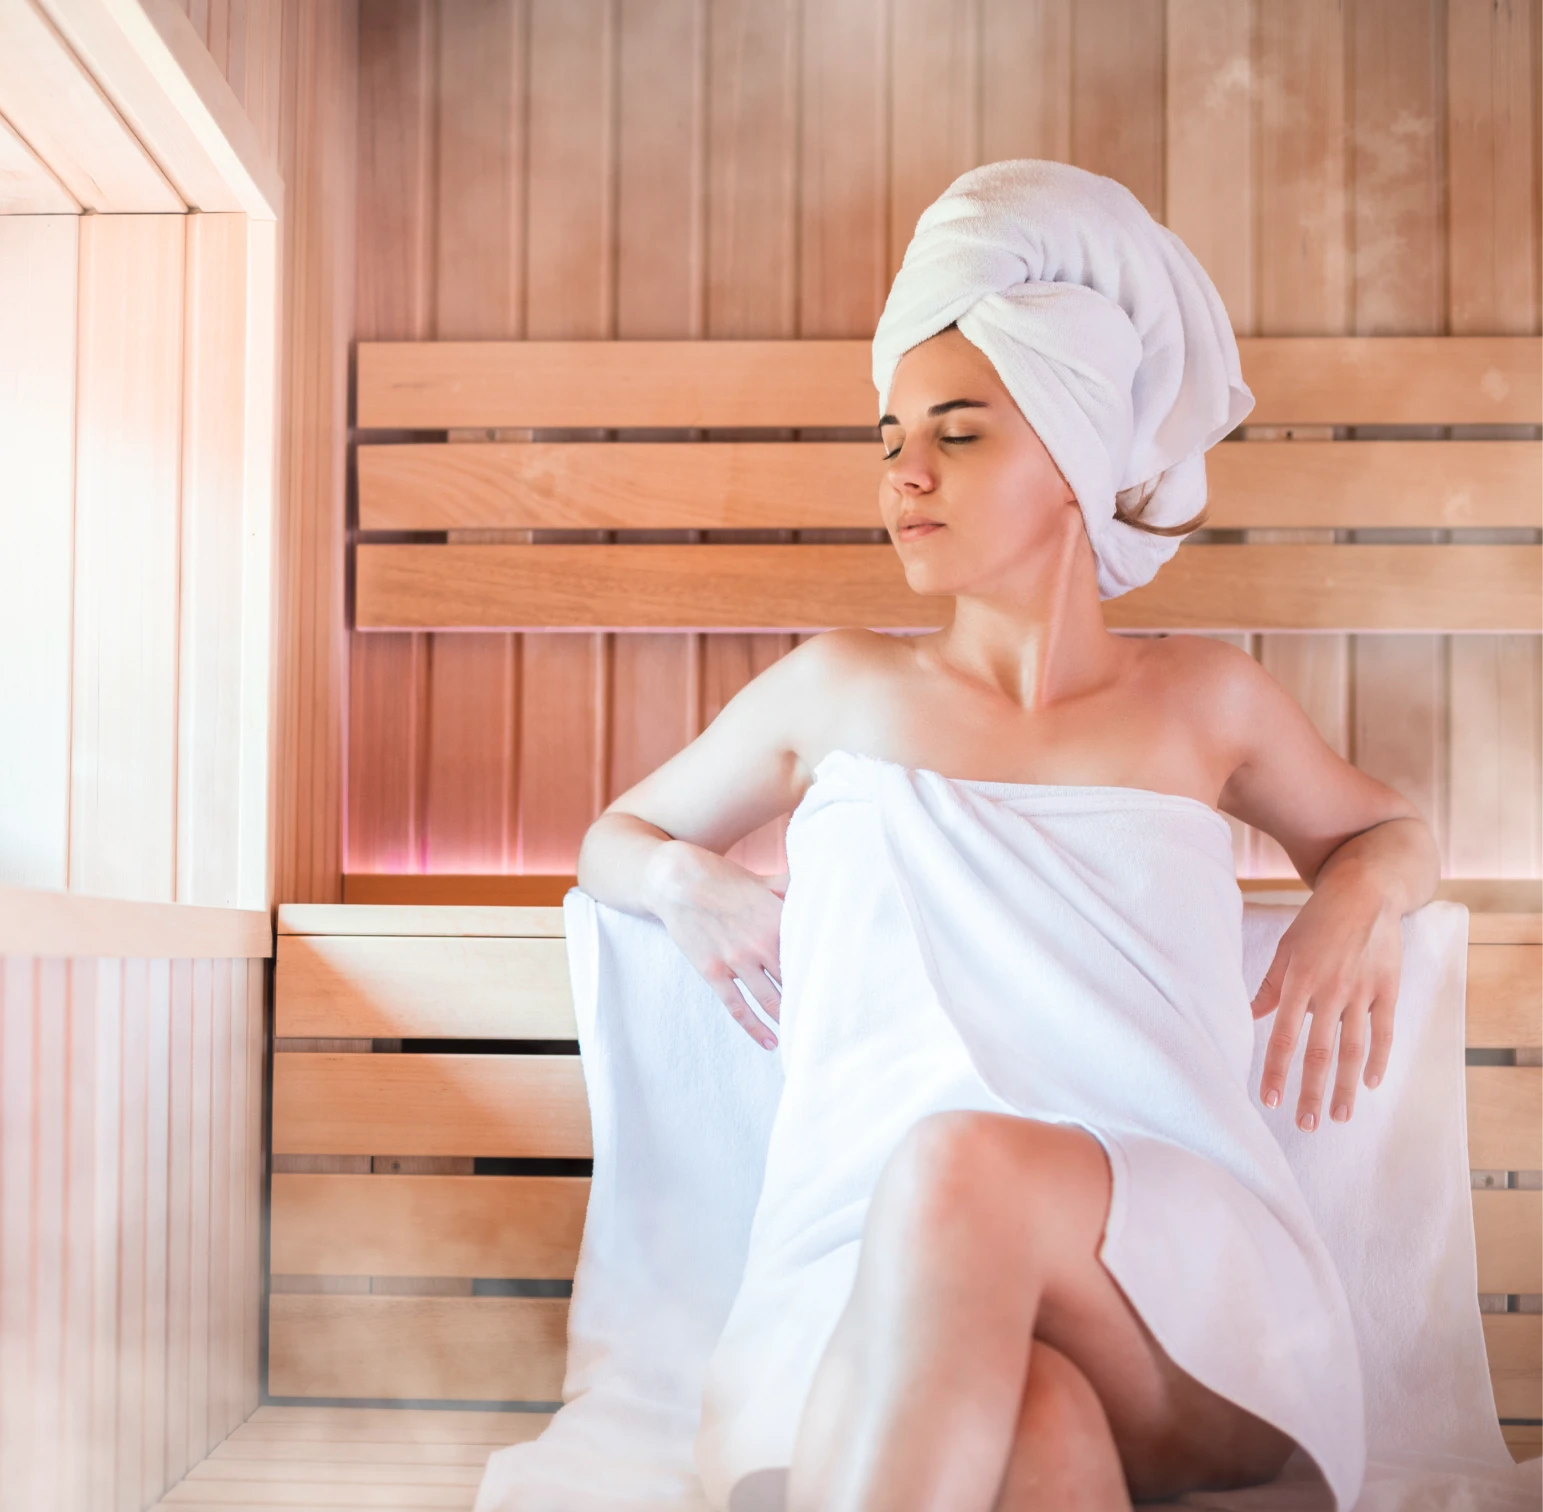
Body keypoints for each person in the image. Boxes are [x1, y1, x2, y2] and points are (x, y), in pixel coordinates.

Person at [573, 161, 1438, 1512]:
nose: (903, 474)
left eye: (959, 433)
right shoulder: (836, 686)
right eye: (887, 437)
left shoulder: (1202, 698)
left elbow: (1389, 831)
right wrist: (681, 879)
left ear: (1076, 458)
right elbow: (612, 843)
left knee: (962, 1156)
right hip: (870, 1266)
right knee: (1036, 1435)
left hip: (1184, 1293)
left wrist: (1355, 891)